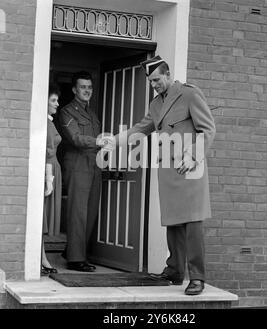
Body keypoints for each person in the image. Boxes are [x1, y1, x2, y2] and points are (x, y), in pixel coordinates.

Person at [103, 55, 216, 295]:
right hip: (169, 172)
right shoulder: (155, 105)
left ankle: (197, 277)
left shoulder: (189, 94)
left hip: (190, 168)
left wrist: (193, 155)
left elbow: (208, 129)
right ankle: (174, 270)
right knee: (173, 223)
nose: (154, 85)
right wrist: (114, 141)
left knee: (193, 225)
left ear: (167, 74)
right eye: (151, 82)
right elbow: (140, 129)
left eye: (157, 80)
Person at [58, 71, 107, 272]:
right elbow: (76, 138)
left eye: (89, 87)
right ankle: (75, 259)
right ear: (74, 89)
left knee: (91, 212)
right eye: (83, 87)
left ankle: (73, 250)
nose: (87, 91)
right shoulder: (67, 112)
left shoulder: (92, 114)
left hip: (94, 166)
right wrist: (98, 141)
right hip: (77, 166)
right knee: (78, 212)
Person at [42, 83, 62, 275]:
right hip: (49, 169)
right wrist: (49, 179)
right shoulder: (46, 123)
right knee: (42, 216)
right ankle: (42, 259)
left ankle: (41, 257)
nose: (57, 104)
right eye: (53, 100)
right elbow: (48, 152)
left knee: (44, 216)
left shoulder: (50, 121)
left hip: (53, 168)